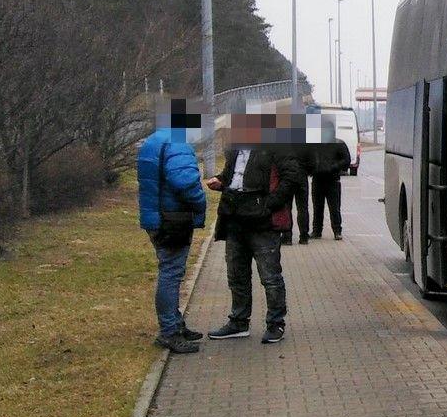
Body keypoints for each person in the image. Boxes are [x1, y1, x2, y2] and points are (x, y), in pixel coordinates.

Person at [205, 110, 304, 344]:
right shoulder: (236, 148)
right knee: (236, 274)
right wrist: (221, 181)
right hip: (234, 215)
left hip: (262, 220)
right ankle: (239, 322)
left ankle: (275, 323)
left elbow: (292, 178)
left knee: (270, 276)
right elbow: (233, 175)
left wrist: (268, 204)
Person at [136, 98, 208, 354]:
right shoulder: (177, 142)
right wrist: (201, 202)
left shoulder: (152, 141)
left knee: (170, 271)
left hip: (156, 217)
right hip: (173, 219)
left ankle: (175, 324)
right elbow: (185, 182)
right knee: (171, 274)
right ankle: (169, 331)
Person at [309, 119, 349, 241]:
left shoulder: (339, 144)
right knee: (317, 207)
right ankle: (316, 231)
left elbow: (346, 160)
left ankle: (337, 231)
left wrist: (333, 167)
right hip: (318, 180)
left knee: (334, 207)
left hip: (333, 180)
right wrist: (313, 169)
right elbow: (308, 159)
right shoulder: (315, 144)